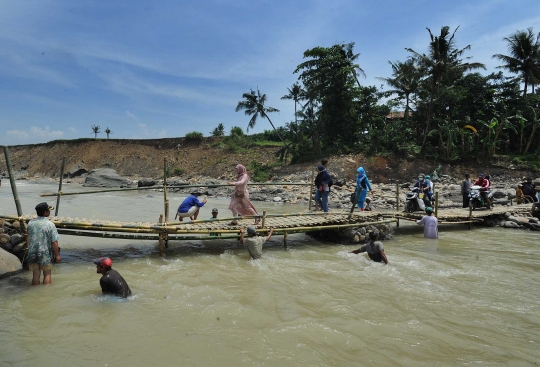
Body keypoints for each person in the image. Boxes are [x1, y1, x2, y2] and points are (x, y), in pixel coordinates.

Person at [26, 202, 61, 285]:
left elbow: (28, 237)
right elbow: (54, 241)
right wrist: (57, 255)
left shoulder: (30, 223)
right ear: (45, 212)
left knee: (35, 275)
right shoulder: (50, 224)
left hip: (33, 251)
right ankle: (46, 294)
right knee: (47, 274)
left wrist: (29, 250)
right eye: (49, 210)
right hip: (44, 253)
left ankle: (35, 292)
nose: (50, 212)